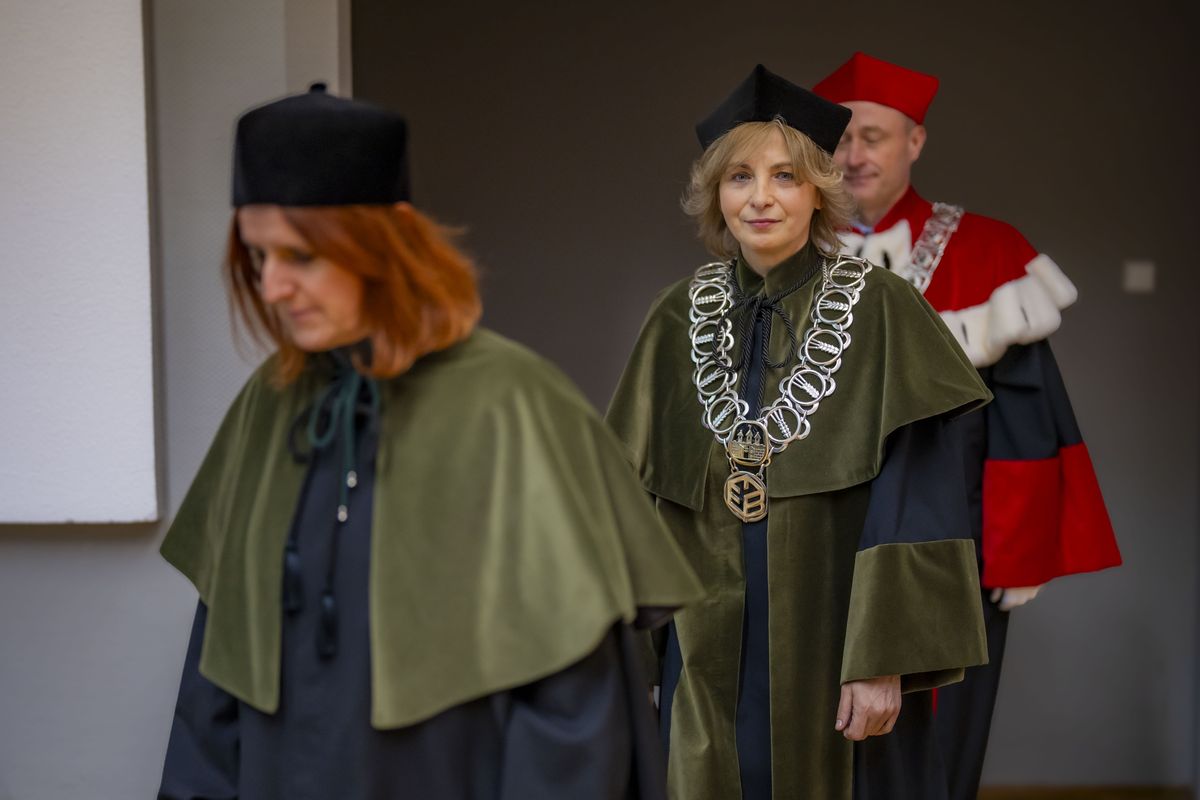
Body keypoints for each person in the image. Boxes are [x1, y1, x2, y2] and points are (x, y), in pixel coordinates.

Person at [156, 83, 703, 800]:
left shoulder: (514, 406)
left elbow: (577, 716)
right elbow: (214, 682)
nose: (273, 286)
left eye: (302, 255)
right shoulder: (270, 405)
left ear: (391, 242)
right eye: (259, 257)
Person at [606, 64, 994, 800]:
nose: (760, 197)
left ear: (819, 189)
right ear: (716, 194)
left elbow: (917, 500)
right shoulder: (674, 316)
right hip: (702, 652)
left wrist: (884, 659)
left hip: (838, 646)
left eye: (784, 176)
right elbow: (638, 508)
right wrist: (641, 662)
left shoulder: (882, 309)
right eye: (739, 177)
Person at [813, 51, 1123, 799]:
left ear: (915, 141)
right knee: (814, 741)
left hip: (951, 541)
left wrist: (1011, 556)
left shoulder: (987, 250)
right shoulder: (793, 247)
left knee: (937, 750)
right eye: (842, 138)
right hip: (818, 536)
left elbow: (1025, 421)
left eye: (874, 136)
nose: (855, 155)